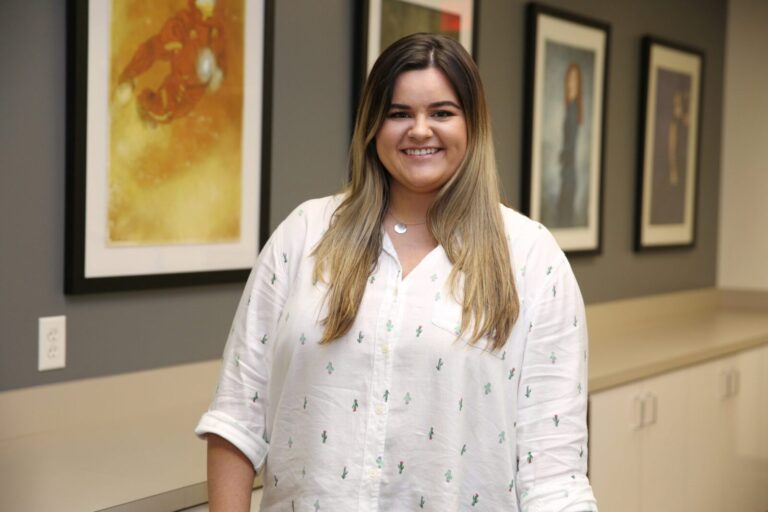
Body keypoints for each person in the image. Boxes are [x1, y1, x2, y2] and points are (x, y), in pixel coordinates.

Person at [196, 33, 598, 511]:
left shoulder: (532, 259)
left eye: (443, 113)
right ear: (372, 125)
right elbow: (237, 418)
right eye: (399, 113)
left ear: (473, 126)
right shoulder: (304, 235)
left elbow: (554, 473)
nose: (420, 130)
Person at [556, 62, 583, 228]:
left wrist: (564, 155)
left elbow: (570, 143)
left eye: (574, 79)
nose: (570, 83)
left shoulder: (573, 110)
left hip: (569, 169)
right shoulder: (570, 109)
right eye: (569, 79)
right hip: (568, 168)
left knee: (564, 210)